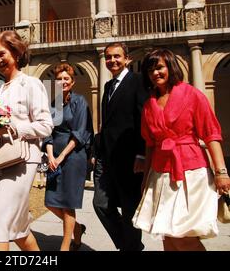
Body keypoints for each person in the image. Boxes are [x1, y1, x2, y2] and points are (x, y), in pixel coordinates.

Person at [133, 48, 230, 251]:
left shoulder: (192, 94)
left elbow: (211, 134)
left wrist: (221, 172)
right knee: (167, 235)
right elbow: (150, 144)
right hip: (160, 173)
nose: (155, 73)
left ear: (170, 66)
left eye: (159, 67)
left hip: (192, 172)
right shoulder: (149, 104)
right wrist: (146, 179)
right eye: (150, 70)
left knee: (183, 236)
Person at [0, 30, 54, 251]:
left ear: (16, 52)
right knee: (18, 229)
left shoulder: (31, 84)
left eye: (1, 54)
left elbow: (45, 125)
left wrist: (13, 128)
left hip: (22, 162)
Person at [92, 42, 149, 251]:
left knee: (129, 209)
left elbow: (144, 118)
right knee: (101, 204)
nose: (112, 61)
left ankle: (131, 248)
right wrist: (97, 151)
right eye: (108, 57)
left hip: (130, 159)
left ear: (127, 59)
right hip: (106, 158)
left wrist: (142, 154)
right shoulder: (108, 85)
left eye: (117, 56)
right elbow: (105, 123)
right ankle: (129, 245)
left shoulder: (137, 81)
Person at [42, 63, 93, 251]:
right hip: (54, 156)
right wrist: (50, 156)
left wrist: (62, 156)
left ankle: (65, 246)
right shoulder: (52, 104)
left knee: (67, 203)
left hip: (73, 157)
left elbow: (80, 132)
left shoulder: (80, 102)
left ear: (72, 82)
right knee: (51, 202)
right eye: (59, 79)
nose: (62, 82)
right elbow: (47, 132)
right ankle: (77, 228)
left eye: (66, 79)